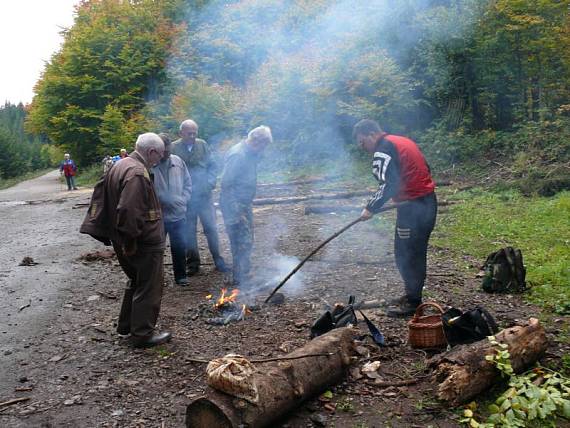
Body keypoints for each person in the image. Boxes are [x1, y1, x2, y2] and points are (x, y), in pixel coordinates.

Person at [80, 133, 171, 348]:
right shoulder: (137, 173)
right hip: (142, 242)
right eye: (160, 154)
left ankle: (127, 326)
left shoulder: (121, 165)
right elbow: (129, 210)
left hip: (124, 238)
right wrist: (130, 240)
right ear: (151, 152)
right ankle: (142, 334)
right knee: (149, 286)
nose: (160, 159)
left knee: (136, 280)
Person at [353, 119, 437, 317]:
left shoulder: (383, 148)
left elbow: (388, 184)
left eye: (362, 142)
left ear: (372, 134)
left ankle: (413, 302)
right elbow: (426, 167)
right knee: (415, 252)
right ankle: (412, 295)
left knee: (406, 254)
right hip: (427, 202)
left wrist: (370, 208)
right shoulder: (402, 141)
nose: (362, 147)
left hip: (413, 208)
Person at [171, 119, 228, 275]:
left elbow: (213, 166)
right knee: (189, 231)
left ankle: (218, 259)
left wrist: (210, 183)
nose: (192, 135)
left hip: (204, 195)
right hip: (186, 198)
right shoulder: (174, 148)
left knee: (211, 228)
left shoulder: (202, 144)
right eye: (189, 133)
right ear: (181, 133)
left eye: (195, 132)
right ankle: (193, 264)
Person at [220, 126, 272, 287]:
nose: (264, 149)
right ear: (257, 141)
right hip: (234, 205)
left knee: (247, 240)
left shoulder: (250, 153)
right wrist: (237, 212)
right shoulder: (238, 155)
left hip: (244, 204)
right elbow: (226, 184)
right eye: (264, 145)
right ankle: (240, 279)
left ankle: (243, 273)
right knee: (240, 240)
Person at [152, 133, 193, 286]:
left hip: (178, 214)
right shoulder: (149, 166)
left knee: (179, 246)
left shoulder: (178, 162)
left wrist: (184, 199)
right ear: (157, 150)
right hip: (158, 217)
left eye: (169, 151)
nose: (167, 154)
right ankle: (156, 278)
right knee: (156, 250)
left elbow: (188, 183)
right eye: (165, 152)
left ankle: (181, 276)